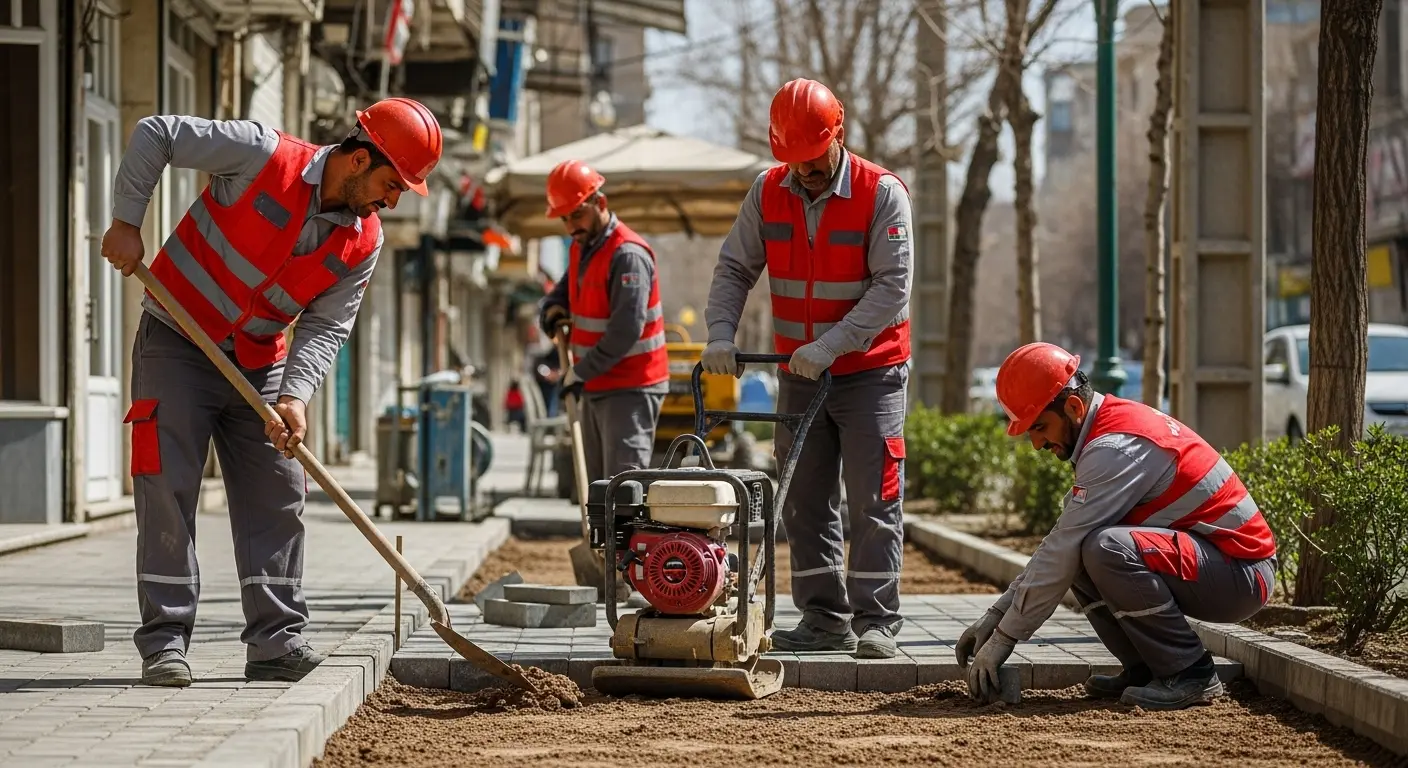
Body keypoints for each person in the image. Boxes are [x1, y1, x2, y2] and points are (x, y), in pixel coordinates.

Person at [100, 98, 443, 687]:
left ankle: (276, 642)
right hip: (177, 340)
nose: (392, 200)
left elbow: (327, 325)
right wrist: (128, 221)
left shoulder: (365, 240)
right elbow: (156, 133)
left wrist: (295, 396)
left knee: (280, 493)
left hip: (260, 361)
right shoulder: (259, 154)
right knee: (166, 490)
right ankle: (164, 643)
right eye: (392, 184)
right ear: (358, 160)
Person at [701, 78, 914, 659]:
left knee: (873, 497)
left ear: (837, 136)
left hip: (871, 371)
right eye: (791, 160)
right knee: (802, 499)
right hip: (797, 374)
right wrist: (721, 334)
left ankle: (877, 622)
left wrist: (834, 345)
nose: (803, 171)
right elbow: (734, 269)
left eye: (812, 159)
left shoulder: (882, 192)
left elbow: (893, 288)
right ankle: (823, 618)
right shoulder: (768, 192)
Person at [956, 342, 1278, 709]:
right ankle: (1147, 669)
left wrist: (1003, 640)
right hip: (1218, 564)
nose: (1036, 443)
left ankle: (1191, 673)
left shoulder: (1115, 449)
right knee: (1081, 550)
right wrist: (995, 617)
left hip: (1242, 574)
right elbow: (1060, 546)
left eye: (1040, 427)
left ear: (1074, 408)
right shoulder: (1104, 434)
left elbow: (1064, 547)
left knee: (1105, 548)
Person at [536, 159, 668, 486]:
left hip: (631, 386)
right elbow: (565, 290)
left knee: (624, 489)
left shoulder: (628, 256)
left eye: (577, 215)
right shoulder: (584, 246)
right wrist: (551, 311)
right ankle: (603, 540)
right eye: (565, 219)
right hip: (596, 383)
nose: (571, 227)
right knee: (599, 490)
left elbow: (626, 330)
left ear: (601, 203)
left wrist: (578, 372)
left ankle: (625, 541)